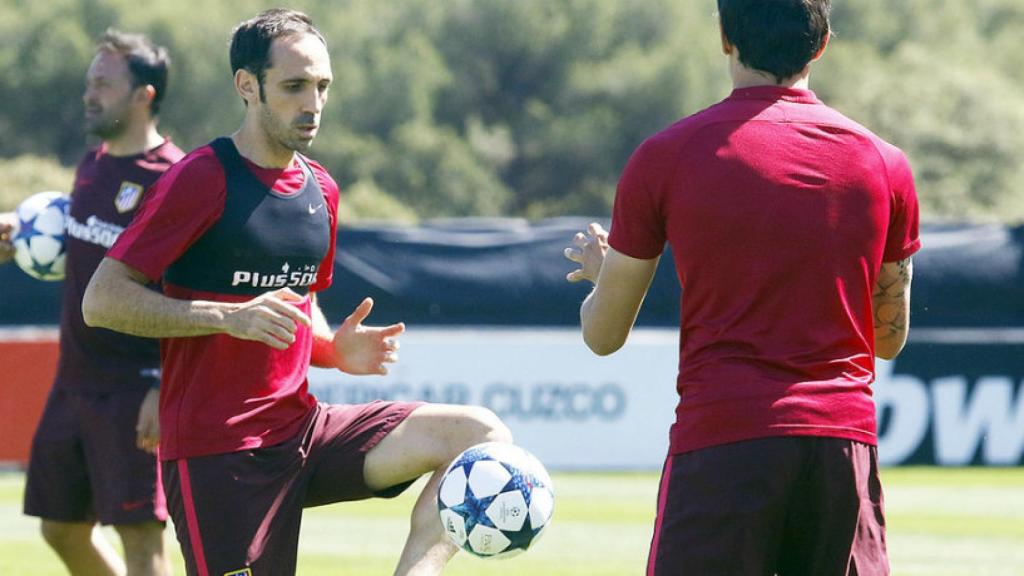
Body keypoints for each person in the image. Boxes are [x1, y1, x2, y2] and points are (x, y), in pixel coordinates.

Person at [81, 9, 511, 576]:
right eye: (294, 86)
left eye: (321, 86)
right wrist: (226, 316)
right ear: (247, 86)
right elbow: (102, 300)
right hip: (217, 453)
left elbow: (297, 306)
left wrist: (334, 350)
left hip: (303, 431)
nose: (312, 103)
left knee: (480, 435)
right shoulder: (200, 178)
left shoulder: (322, 190)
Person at [563, 1, 918, 574]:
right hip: (840, 449)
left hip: (723, 444)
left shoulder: (665, 157)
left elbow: (603, 336)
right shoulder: (885, 163)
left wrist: (604, 274)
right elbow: (889, 338)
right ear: (822, 44)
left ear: (725, 38)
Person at [0, 29, 183, 576]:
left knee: (142, 543)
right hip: (74, 380)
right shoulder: (92, 166)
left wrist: (162, 383)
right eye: (89, 83)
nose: (89, 94)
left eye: (103, 84)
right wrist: (22, 241)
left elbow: (190, 289)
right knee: (60, 528)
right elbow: (80, 247)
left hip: (135, 388)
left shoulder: (175, 179)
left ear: (143, 95)